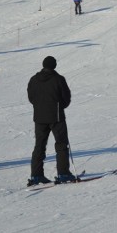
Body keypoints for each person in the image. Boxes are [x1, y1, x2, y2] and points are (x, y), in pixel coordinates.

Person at [27, 56, 75, 186]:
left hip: (39, 118)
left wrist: (39, 106)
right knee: (61, 144)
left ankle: (36, 175)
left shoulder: (34, 79)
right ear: (54, 66)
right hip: (56, 117)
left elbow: (31, 97)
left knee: (39, 145)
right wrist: (60, 106)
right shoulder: (59, 79)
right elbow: (66, 97)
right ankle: (63, 173)